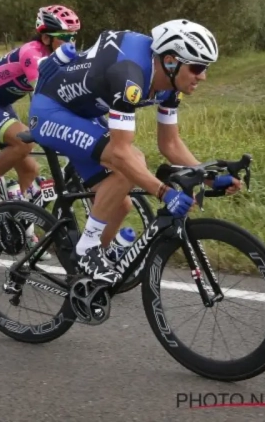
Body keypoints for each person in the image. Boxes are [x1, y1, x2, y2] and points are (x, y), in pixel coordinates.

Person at [29, 19, 242, 286]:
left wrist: (207, 176)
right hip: (51, 111)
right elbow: (120, 152)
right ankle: (87, 249)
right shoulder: (130, 74)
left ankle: (83, 273)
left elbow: (170, 144)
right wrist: (164, 192)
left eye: (205, 68)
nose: (203, 76)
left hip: (83, 114)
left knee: (121, 204)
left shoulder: (170, 86)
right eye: (197, 67)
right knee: (130, 162)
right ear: (171, 61)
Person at [0, 5, 81, 206]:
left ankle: (25, 230)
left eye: (74, 36)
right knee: (24, 141)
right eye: (65, 37)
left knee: (30, 171)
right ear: (46, 38)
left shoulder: (60, 57)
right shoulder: (32, 54)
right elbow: (44, 98)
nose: (71, 43)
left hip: (1, 104)